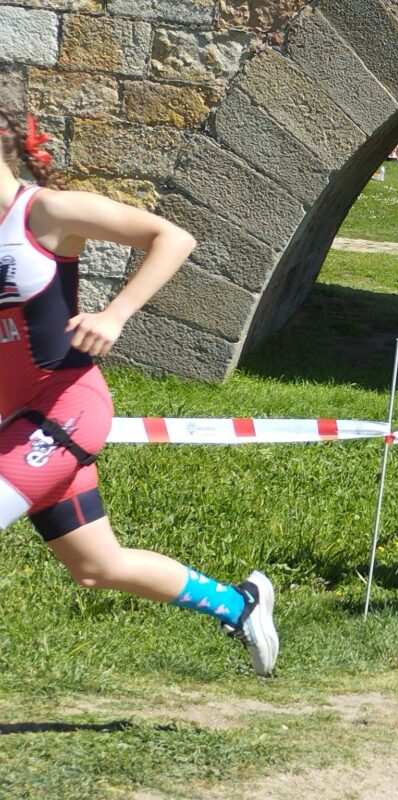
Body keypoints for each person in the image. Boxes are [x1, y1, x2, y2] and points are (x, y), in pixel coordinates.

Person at [0, 111, 279, 676]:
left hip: (66, 408)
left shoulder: (45, 212)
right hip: (18, 422)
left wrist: (115, 314)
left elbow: (172, 238)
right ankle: (239, 604)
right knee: (97, 566)